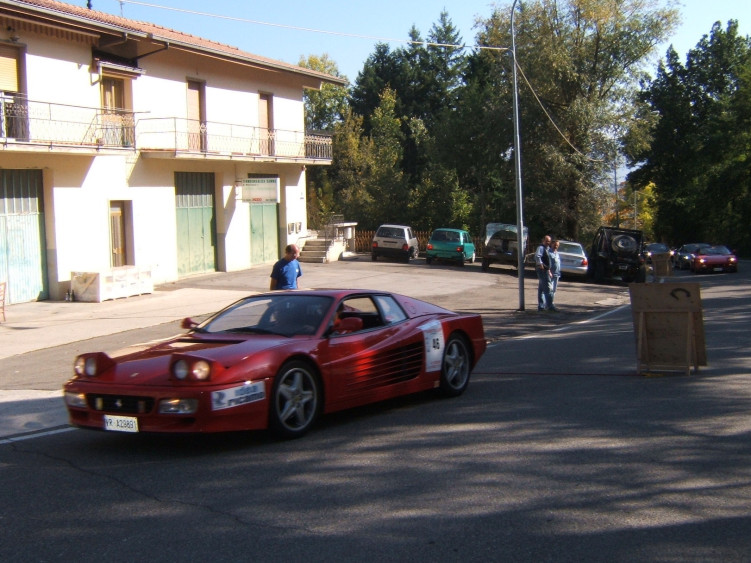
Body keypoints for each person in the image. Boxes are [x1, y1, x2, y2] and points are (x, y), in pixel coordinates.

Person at [534, 235, 553, 311]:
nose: (548, 242)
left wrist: (548, 270)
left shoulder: (547, 249)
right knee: (548, 288)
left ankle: (541, 306)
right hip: (542, 270)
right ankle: (550, 306)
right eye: (547, 241)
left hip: (546, 270)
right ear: (543, 241)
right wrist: (540, 264)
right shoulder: (541, 248)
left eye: (549, 241)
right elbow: (537, 256)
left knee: (541, 289)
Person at [548, 239, 561, 312]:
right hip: (551, 274)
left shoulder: (557, 253)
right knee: (549, 290)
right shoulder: (549, 253)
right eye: (555, 245)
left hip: (557, 274)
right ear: (552, 244)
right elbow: (547, 264)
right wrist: (549, 272)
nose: (556, 246)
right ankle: (548, 305)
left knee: (554, 290)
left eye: (557, 245)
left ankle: (551, 304)